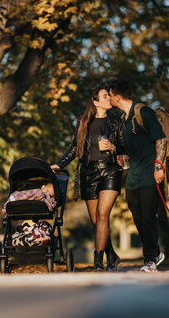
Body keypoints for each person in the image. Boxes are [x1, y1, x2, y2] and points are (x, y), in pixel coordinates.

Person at [51, 87, 124, 270]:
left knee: (102, 215)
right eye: (105, 96)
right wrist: (59, 164)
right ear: (95, 101)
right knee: (96, 221)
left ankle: (98, 260)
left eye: (109, 95)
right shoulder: (83, 122)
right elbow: (75, 148)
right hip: (88, 174)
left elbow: (125, 147)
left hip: (110, 171)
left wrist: (113, 147)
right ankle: (112, 254)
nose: (109, 98)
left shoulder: (116, 121)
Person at [108, 79, 167, 272]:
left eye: (109, 95)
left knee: (149, 217)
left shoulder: (143, 112)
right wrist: (121, 155)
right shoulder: (124, 119)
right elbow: (132, 146)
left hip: (150, 174)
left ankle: (150, 261)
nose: (108, 98)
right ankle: (156, 253)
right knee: (137, 215)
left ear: (117, 97)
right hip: (133, 177)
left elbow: (161, 138)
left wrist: (159, 166)